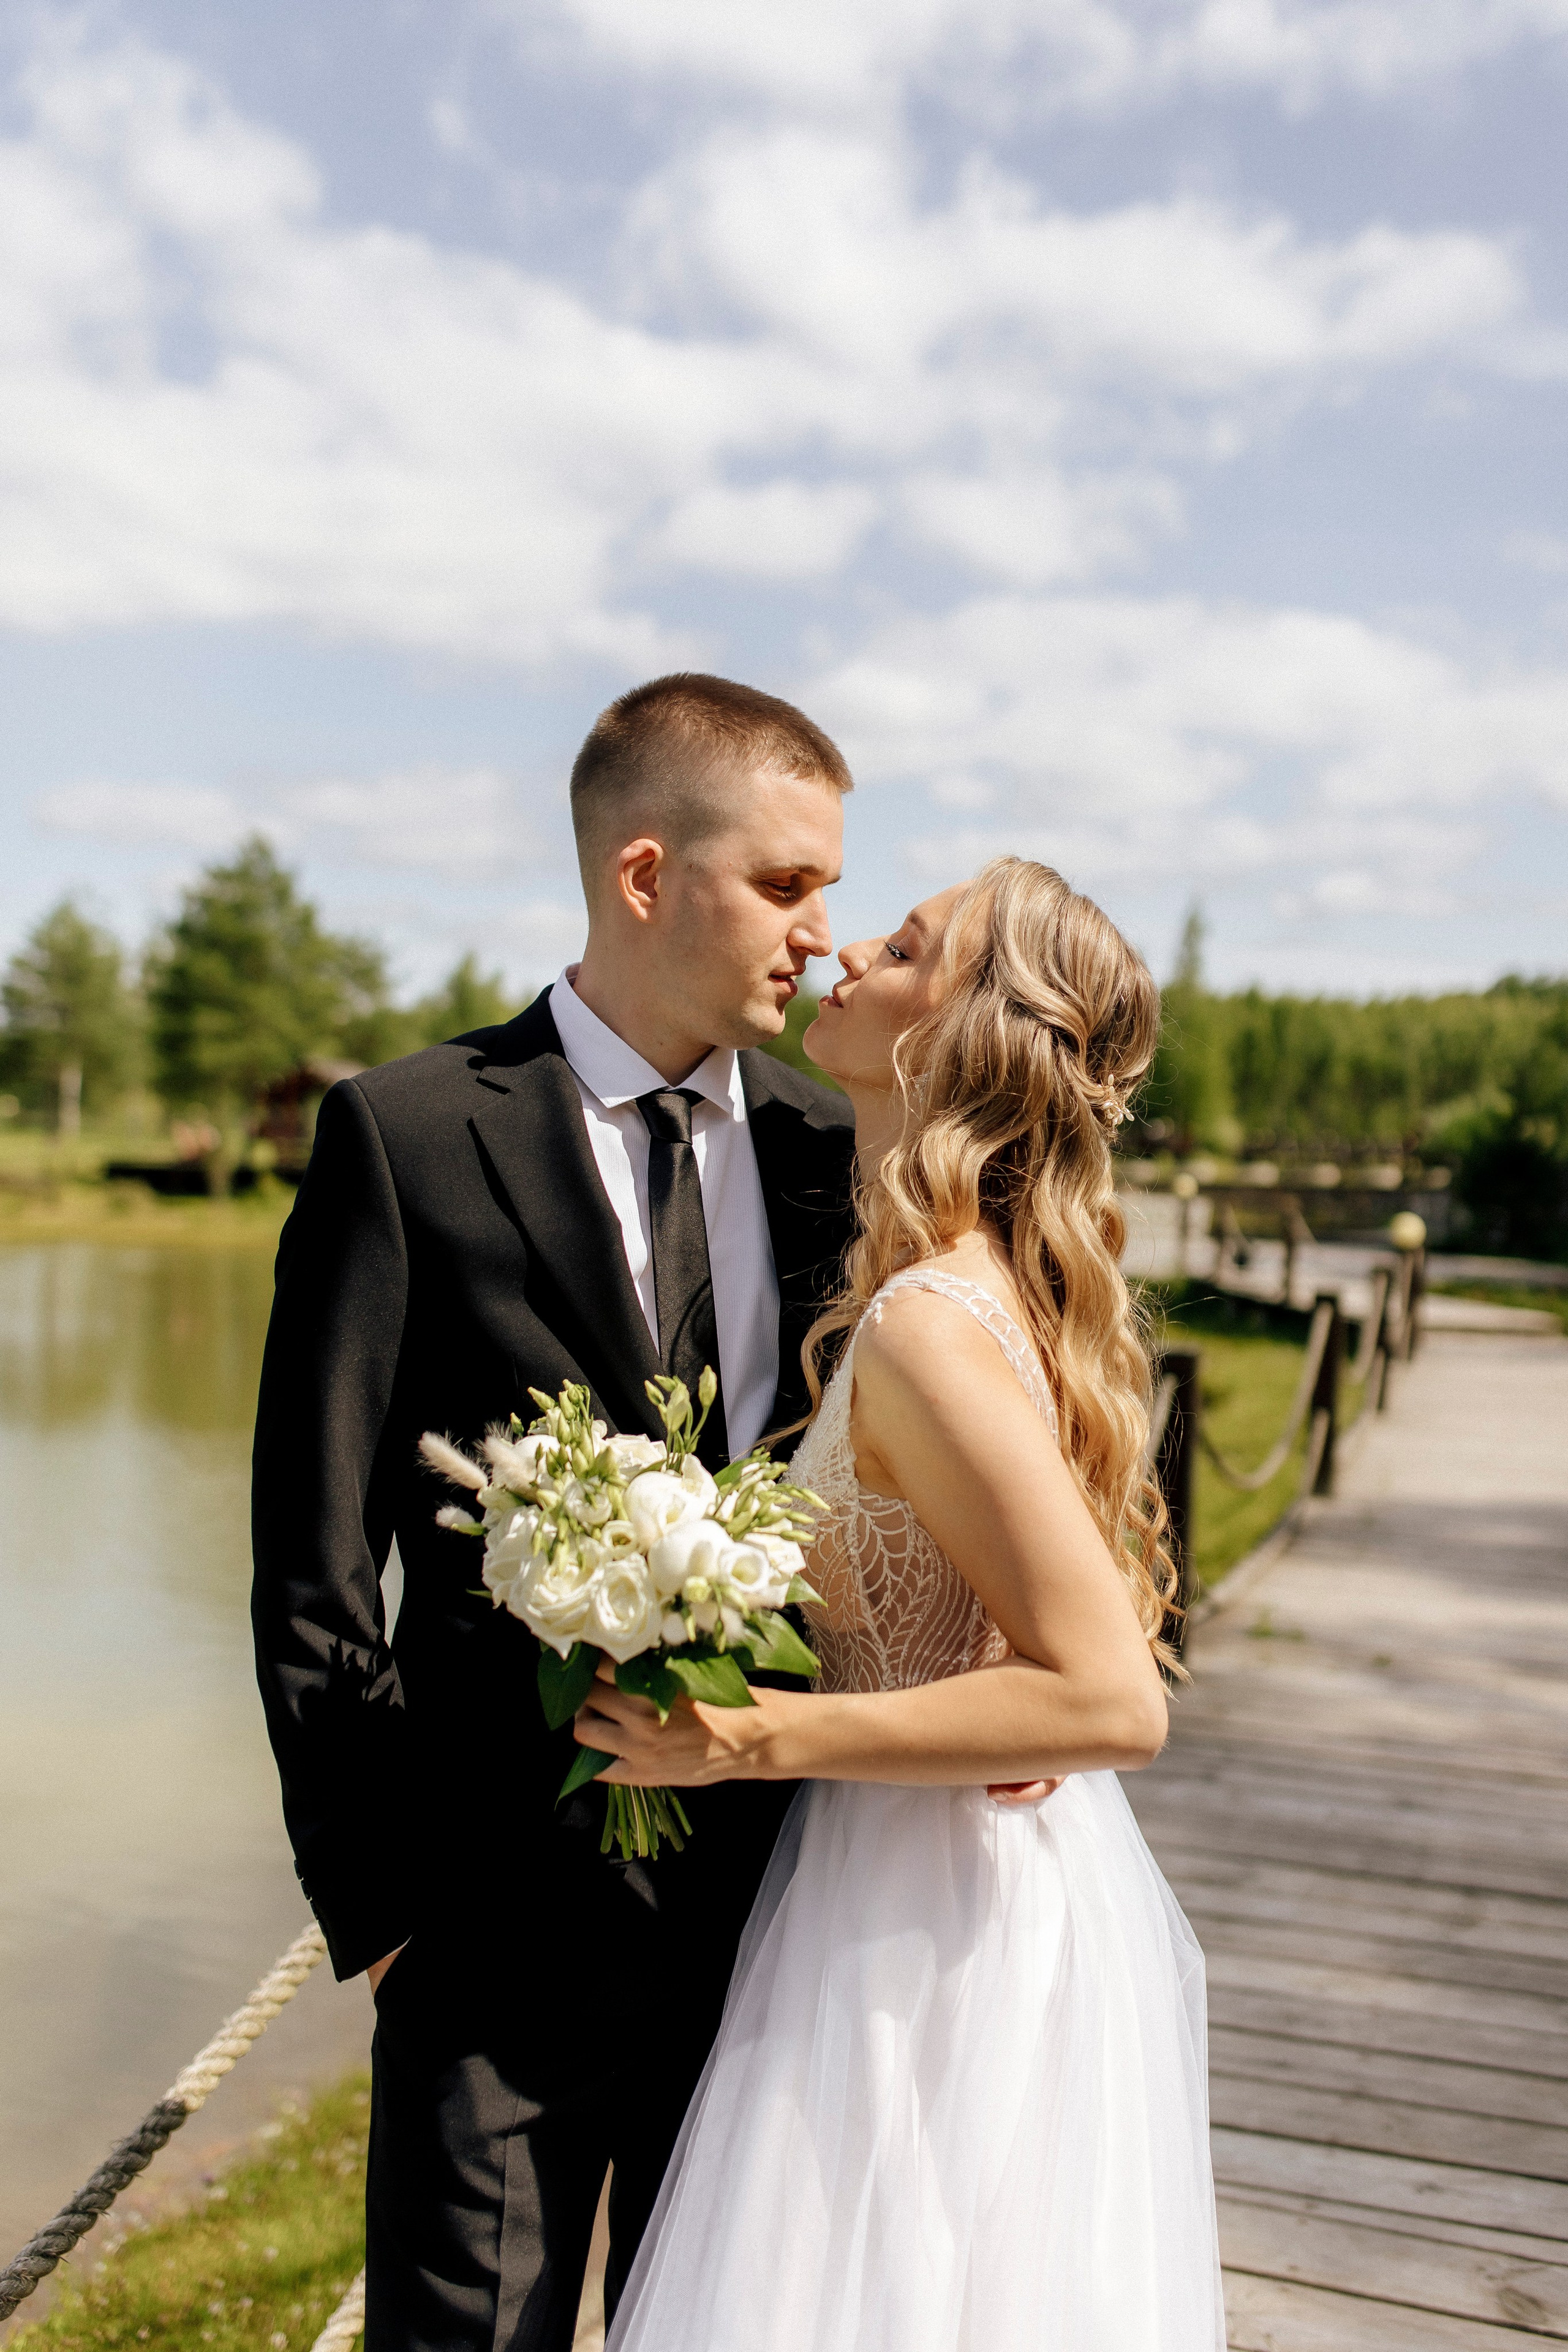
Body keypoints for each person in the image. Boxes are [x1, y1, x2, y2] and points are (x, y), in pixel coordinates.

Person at [249, 674, 858, 2350]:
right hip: (488, 1952)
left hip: (776, 1929)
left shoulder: (835, 1148)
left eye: (829, 887)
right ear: (646, 875)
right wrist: (386, 1914)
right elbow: (312, 1564)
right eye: (786, 884)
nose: (820, 933)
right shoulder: (405, 1137)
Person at [578, 857, 1227, 2351]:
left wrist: (744, 1738)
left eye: (906, 944)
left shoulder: (929, 1323)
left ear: (960, 1032)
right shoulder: (956, 1286)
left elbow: (1110, 1699)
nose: (844, 948)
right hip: (918, 1872)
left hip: (925, 1922)